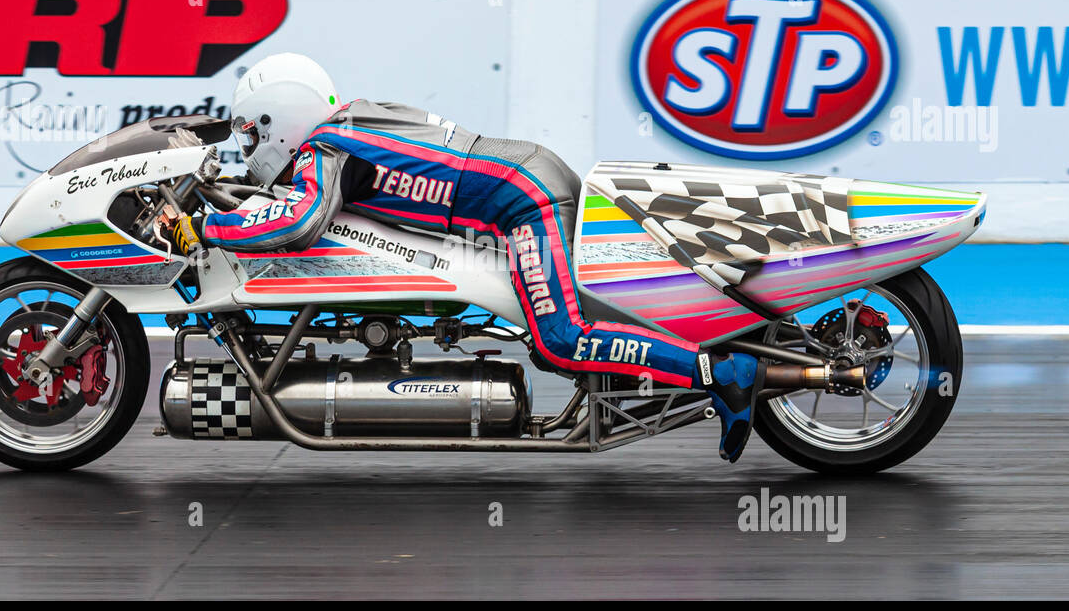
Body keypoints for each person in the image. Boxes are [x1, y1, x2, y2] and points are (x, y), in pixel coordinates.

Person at [167, 53, 765, 462]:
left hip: (523, 201)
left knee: (561, 338)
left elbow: (298, 220)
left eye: (251, 134)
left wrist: (208, 227)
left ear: (278, 119)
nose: (250, 149)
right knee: (555, 337)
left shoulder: (325, 147)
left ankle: (720, 373)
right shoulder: (348, 124)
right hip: (521, 181)